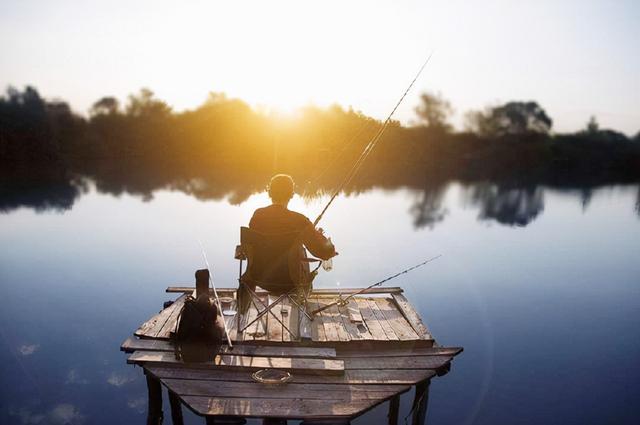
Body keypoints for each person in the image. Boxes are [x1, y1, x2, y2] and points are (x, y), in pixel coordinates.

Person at [249, 174, 337, 261]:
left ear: (270, 193)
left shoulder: (258, 215)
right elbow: (324, 252)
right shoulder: (300, 220)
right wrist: (323, 239)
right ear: (291, 194)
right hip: (289, 275)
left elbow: (250, 246)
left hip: (257, 274)